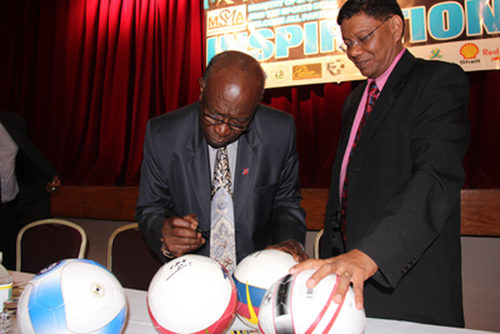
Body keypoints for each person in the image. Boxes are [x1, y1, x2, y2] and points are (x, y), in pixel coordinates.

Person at [291, 0, 470, 327]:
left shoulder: (437, 81)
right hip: (351, 284)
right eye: (347, 44)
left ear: (396, 28)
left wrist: (372, 253)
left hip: (407, 283)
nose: (354, 51)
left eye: (363, 38)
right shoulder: (354, 101)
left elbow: (435, 176)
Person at [135, 50, 307, 273]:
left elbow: (286, 203)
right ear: (201, 89)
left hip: (258, 274)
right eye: (214, 116)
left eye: (238, 122)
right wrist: (164, 235)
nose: (223, 130)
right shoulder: (164, 134)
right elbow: (150, 208)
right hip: (190, 275)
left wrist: (291, 241)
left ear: (256, 106)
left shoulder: (279, 132)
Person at [0, 111, 61, 270]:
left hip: (11, 211)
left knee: (13, 268)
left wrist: (46, 176)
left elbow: (27, 156)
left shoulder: (11, 122)